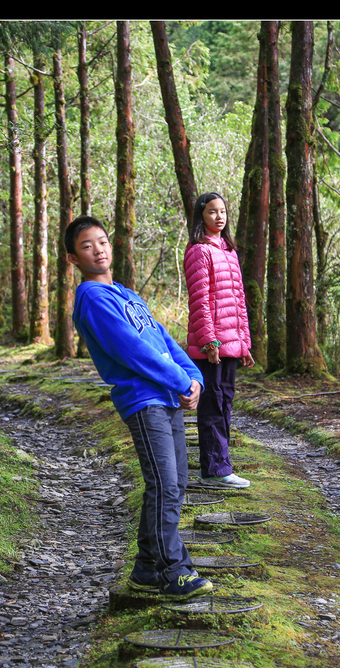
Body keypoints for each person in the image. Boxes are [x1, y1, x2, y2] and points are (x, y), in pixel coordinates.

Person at [65, 215, 213, 599]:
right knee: (163, 484)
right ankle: (174, 570)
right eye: (87, 245)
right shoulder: (92, 299)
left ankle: (147, 568)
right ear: (73, 259)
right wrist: (180, 381)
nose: (98, 249)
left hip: (168, 396)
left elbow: (163, 338)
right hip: (144, 401)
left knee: (177, 483)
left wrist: (193, 377)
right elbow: (133, 352)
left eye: (102, 241)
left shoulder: (128, 295)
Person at [184, 192, 254, 489]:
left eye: (223, 211)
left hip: (230, 343)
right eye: (212, 212)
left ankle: (217, 467)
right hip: (210, 346)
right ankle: (214, 471)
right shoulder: (199, 251)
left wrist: (244, 344)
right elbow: (199, 301)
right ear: (201, 216)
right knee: (212, 405)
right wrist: (209, 342)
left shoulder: (228, 251)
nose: (219, 216)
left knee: (224, 403)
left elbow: (239, 303)